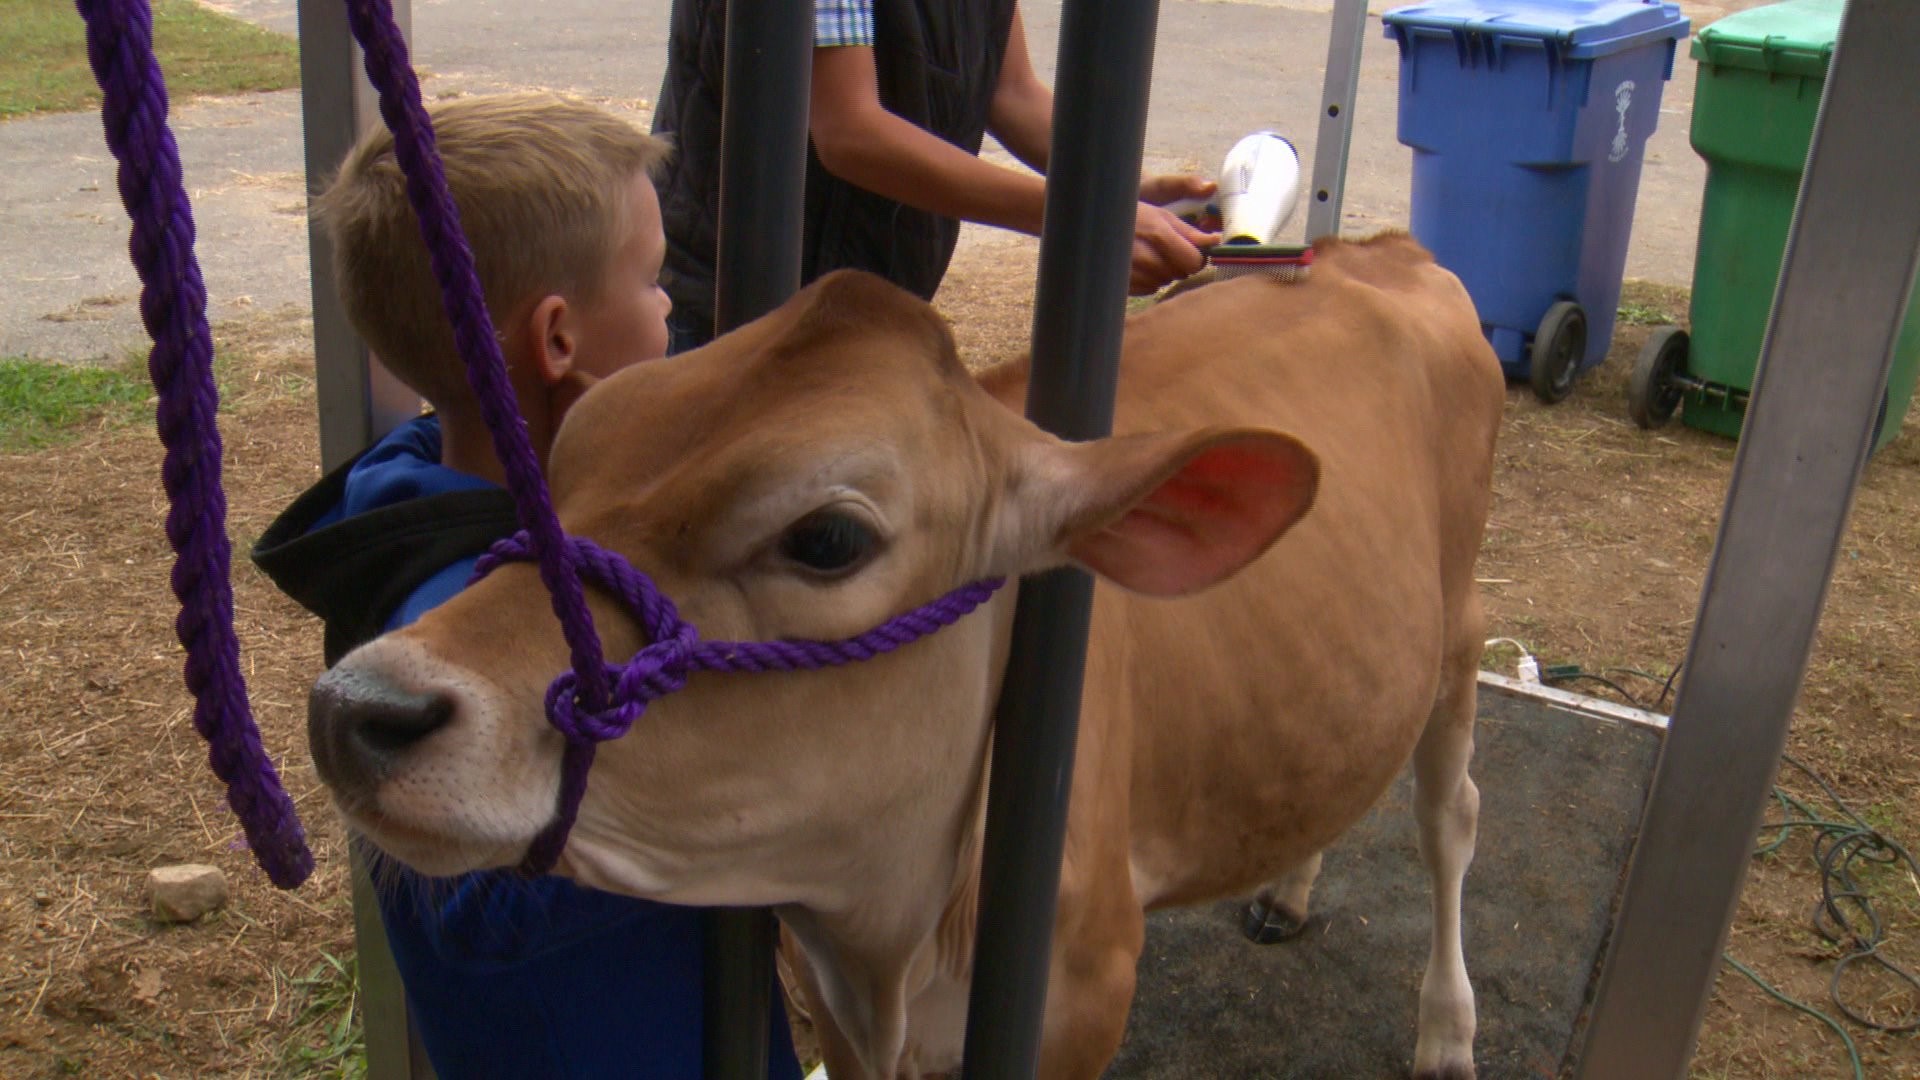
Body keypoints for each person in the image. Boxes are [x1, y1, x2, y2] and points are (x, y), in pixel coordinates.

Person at [253, 93, 803, 1079]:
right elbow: (474, 886)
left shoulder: (494, 508)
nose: (671, 303)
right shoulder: (451, 602)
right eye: (649, 278)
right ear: (558, 343)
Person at [652, 0, 1221, 349]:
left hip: (861, 303)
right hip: (728, 303)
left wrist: (1116, 189)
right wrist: (1083, 220)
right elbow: (849, 131)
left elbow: (1011, 92)